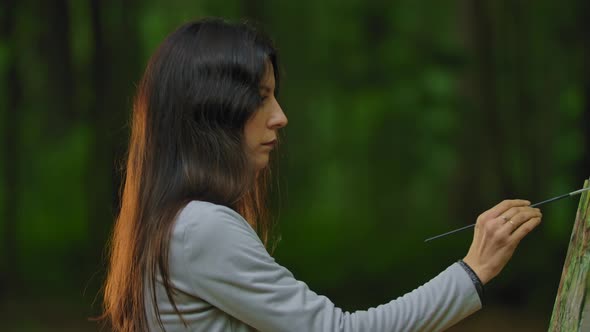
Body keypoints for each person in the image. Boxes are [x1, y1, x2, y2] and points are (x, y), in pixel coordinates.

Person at [101, 18, 543, 332]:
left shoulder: (171, 222)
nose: (280, 117)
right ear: (213, 112)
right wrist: (474, 270)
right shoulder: (201, 228)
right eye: (261, 97)